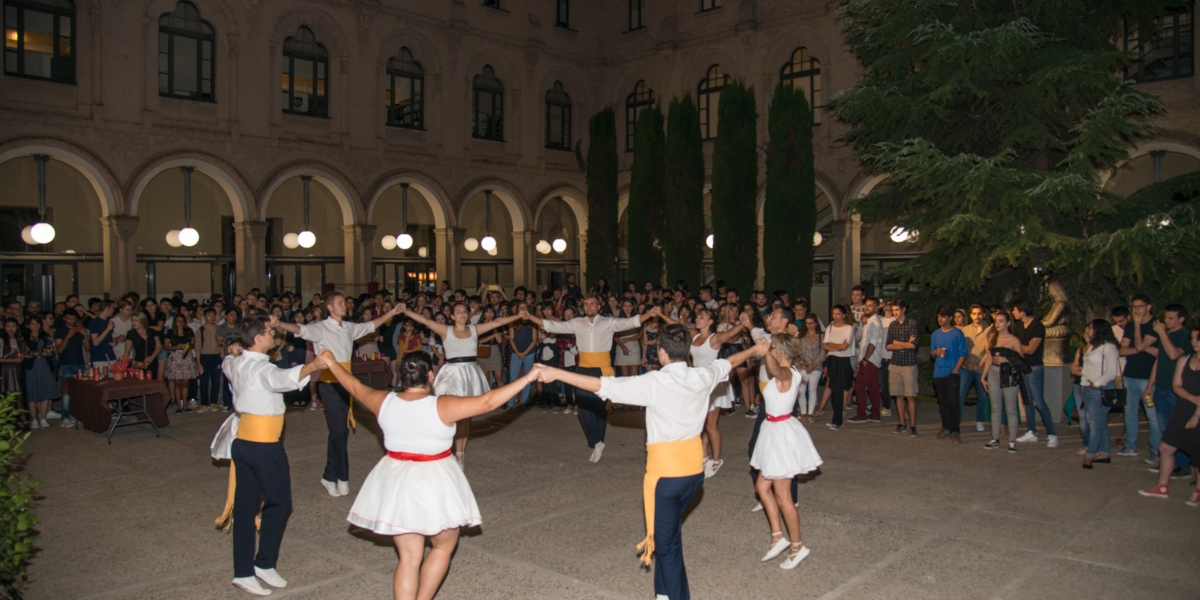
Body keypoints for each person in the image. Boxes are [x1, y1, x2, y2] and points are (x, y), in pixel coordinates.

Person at [536, 328, 768, 600]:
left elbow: (604, 386)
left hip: (666, 478)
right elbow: (729, 362)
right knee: (667, 536)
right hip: (695, 475)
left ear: (661, 353)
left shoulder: (655, 382)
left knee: (668, 547)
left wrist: (557, 373)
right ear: (687, 351)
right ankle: (662, 594)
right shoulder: (702, 375)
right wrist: (755, 350)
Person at [317, 351, 542, 600]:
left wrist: (331, 363)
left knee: (409, 558)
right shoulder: (441, 405)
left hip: (396, 479)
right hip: (435, 479)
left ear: (401, 377)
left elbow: (354, 386)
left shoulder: (384, 401)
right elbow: (488, 402)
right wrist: (528, 377)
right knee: (443, 546)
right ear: (431, 376)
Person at [211, 315, 323, 596]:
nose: (273, 334)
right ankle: (262, 563)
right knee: (280, 502)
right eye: (269, 331)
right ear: (259, 338)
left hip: (243, 443)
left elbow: (226, 362)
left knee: (246, 507)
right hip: (263, 445)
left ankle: (245, 571)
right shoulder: (262, 368)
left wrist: (231, 351)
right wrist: (314, 365)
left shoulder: (236, 362)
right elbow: (282, 379)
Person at [271, 291, 404, 497]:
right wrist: (279, 324)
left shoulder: (349, 327)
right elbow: (300, 329)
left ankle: (329, 475)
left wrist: (393, 312)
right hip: (329, 384)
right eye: (340, 303)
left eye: (345, 302)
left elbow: (372, 325)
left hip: (346, 383)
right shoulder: (320, 328)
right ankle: (341, 476)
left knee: (338, 432)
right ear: (330, 307)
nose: (344, 305)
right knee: (339, 432)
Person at [521, 295, 659, 462]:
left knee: (600, 408)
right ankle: (596, 441)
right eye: (586, 304)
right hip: (583, 368)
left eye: (592, 304)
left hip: (602, 369)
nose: (589, 307)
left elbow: (631, 322)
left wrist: (649, 314)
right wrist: (530, 317)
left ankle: (599, 441)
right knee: (584, 409)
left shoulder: (608, 322)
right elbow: (553, 326)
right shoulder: (577, 323)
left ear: (599, 306)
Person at [400, 302, 522, 465]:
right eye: (458, 312)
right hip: (453, 375)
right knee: (451, 415)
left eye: (464, 311)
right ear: (452, 316)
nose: (462, 314)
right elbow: (426, 321)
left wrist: (519, 316)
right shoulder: (446, 330)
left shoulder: (474, 330)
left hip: (470, 374)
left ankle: (460, 455)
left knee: (466, 418)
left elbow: (497, 323)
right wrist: (406, 311)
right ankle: (442, 450)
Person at [749, 332, 822, 569]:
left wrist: (765, 350)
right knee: (762, 487)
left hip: (781, 434)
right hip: (773, 430)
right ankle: (777, 537)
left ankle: (797, 546)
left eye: (774, 347)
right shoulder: (787, 372)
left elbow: (774, 370)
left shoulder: (788, 373)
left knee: (783, 496)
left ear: (781, 351)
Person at [663, 306, 747, 478]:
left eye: (702, 317)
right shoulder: (694, 335)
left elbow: (730, 334)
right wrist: (659, 314)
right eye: (698, 316)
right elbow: (678, 327)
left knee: (711, 425)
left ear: (710, 321)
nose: (698, 318)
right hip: (698, 384)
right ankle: (704, 457)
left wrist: (742, 323)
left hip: (713, 385)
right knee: (700, 424)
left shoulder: (714, 339)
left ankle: (716, 460)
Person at [1139, 325, 1200, 506]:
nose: (1193, 342)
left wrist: (1196, 415)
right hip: (1183, 407)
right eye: (1192, 338)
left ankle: (1198, 491)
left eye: (1197, 338)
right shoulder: (1186, 359)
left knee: (1197, 455)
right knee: (1166, 447)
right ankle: (1162, 486)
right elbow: (1176, 385)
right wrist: (1192, 398)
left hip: (1197, 413)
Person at [1145, 304, 1193, 479]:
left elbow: (1174, 355)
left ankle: (1184, 465)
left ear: (1181, 319)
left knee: (1177, 428)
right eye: (1166, 317)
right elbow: (1160, 360)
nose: (1166, 321)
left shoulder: (1184, 336)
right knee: (1165, 428)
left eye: (1171, 318)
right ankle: (1170, 463)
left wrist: (1162, 333)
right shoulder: (1167, 335)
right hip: (1161, 388)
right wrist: (1150, 385)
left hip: (1175, 390)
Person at [1011, 299, 1058, 448]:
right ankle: (1031, 431)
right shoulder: (1018, 326)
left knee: (1038, 401)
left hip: (1034, 368)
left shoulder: (1037, 326)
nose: (1013, 313)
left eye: (1015, 310)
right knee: (1027, 401)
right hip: (1022, 367)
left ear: (1022, 312)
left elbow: (1031, 349)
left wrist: (1017, 347)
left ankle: (1052, 434)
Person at [1075, 319, 1119, 469]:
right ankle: (1105, 452)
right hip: (1088, 387)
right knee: (1100, 423)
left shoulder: (1109, 347)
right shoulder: (1093, 347)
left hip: (1100, 389)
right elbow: (1086, 368)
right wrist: (1084, 384)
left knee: (1095, 425)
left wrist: (1097, 383)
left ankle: (1090, 455)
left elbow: (1111, 372)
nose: (1087, 332)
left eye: (1090, 329)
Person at [1118, 299, 1158, 459]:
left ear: (1149, 306)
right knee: (1130, 412)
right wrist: (1145, 349)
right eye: (1134, 307)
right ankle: (1130, 445)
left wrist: (1141, 345)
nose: (1136, 310)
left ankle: (1156, 450)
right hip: (1130, 375)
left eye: (1140, 307)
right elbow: (1122, 350)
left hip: (1147, 377)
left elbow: (1140, 345)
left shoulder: (1155, 325)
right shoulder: (1130, 326)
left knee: (1152, 415)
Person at [981, 310, 1026, 452]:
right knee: (995, 408)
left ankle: (1012, 441)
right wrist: (983, 376)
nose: (998, 324)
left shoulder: (1014, 340)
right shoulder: (993, 337)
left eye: (1001, 321)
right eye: (996, 321)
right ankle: (995, 438)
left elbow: (1021, 361)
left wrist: (1007, 360)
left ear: (1008, 323)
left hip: (1009, 374)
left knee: (1010, 409)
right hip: (994, 373)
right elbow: (989, 357)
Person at [931, 305, 968, 444]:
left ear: (950, 318)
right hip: (938, 372)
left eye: (943, 316)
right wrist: (935, 352)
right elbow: (932, 353)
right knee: (943, 402)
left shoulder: (957, 334)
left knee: (954, 402)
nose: (940, 319)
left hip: (952, 372)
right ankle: (946, 428)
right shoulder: (935, 334)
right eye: (939, 316)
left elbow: (963, 353)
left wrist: (955, 371)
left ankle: (956, 430)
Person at [885, 299, 921, 437]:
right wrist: (905, 343)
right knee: (897, 395)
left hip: (908, 364)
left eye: (897, 310)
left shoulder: (912, 324)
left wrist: (897, 343)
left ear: (904, 309)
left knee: (910, 395)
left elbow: (914, 345)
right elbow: (888, 345)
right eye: (893, 310)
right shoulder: (893, 325)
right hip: (895, 363)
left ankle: (912, 425)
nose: (895, 312)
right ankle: (902, 423)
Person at [848, 298, 884, 424]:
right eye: (866, 306)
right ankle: (875, 413)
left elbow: (873, 343)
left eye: (870, 306)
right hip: (870, 359)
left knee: (859, 386)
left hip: (869, 359)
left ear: (876, 308)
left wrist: (865, 358)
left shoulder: (875, 323)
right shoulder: (871, 322)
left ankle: (861, 414)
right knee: (873, 387)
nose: (866, 308)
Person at [820, 305, 857, 431]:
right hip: (832, 360)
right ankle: (835, 420)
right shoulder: (830, 327)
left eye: (838, 314)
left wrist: (832, 345)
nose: (835, 316)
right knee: (834, 389)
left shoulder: (849, 328)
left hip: (843, 361)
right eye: (834, 313)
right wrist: (836, 346)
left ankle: (838, 420)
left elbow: (844, 347)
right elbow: (825, 345)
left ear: (844, 315)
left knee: (839, 390)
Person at [959, 304, 992, 433]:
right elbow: (961, 349)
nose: (977, 316)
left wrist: (979, 365)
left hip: (981, 367)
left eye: (979, 313)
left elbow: (989, 351)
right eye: (974, 313)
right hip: (965, 366)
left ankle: (979, 421)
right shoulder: (965, 330)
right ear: (971, 315)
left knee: (982, 396)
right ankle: (958, 420)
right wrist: (966, 363)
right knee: (960, 394)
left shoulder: (990, 330)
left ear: (984, 315)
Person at [53, 311, 88, 428]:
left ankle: (76, 414)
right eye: (69, 318)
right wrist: (68, 336)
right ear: (64, 318)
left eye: (73, 319)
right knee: (66, 391)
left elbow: (87, 348)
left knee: (78, 391)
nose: (71, 321)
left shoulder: (79, 330)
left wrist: (85, 336)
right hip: (66, 364)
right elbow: (59, 350)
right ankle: (65, 417)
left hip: (79, 363)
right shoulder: (60, 331)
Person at [23, 318, 59, 429]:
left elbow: (49, 351)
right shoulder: (24, 338)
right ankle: (34, 419)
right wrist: (41, 352)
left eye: (37, 323)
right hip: (31, 368)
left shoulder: (45, 336)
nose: (35, 326)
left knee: (45, 391)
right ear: (28, 325)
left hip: (45, 366)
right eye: (32, 323)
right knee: (32, 393)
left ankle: (43, 418)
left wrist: (37, 353)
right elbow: (26, 353)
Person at [164, 314, 200, 413]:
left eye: (181, 321)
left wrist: (187, 346)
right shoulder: (170, 332)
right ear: (175, 322)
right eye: (177, 321)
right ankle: (179, 407)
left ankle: (185, 406)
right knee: (177, 383)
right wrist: (176, 347)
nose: (180, 323)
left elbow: (193, 344)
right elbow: (166, 346)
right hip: (175, 357)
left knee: (185, 383)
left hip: (186, 356)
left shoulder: (189, 331)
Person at [505, 311, 539, 408]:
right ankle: (510, 403)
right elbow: (511, 339)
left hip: (529, 353)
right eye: (521, 308)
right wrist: (518, 352)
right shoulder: (513, 323)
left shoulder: (532, 323)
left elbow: (534, 339)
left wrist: (525, 352)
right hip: (516, 353)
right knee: (512, 378)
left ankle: (524, 402)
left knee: (528, 378)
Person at [796, 315, 825, 423]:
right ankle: (803, 412)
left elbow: (823, 352)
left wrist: (814, 364)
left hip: (816, 366)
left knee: (812, 389)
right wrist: (806, 364)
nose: (810, 326)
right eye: (807, 323)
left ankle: (810, 413)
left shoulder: (821, 336)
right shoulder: (801, 336)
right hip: (803, 365)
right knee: (801, 390)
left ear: (816, 323)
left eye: (812, 323)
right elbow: (798, 352)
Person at [197, 308, 224, 412]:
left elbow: (221, 344)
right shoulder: (201, 330)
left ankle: (214, 402)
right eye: (209, 315)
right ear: (205, 317)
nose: (211, 317)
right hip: (205, 357)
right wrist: (198, 363)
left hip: (216, 356)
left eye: (213, 315)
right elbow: (198, 347)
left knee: (216, 381)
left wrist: (222, 355)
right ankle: (204, 403)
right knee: (204, 382)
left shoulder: (219, 329)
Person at [614, 300, 643, 377]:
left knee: (634, 375)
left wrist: (628, 339)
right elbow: (615, 336)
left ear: (632, 307)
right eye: (625, 306)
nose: (627, 308)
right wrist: (622, 346)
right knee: (625, 376)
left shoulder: (637, 319)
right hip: (621, 346)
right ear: (622, 307)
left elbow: (640, 335)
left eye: (629, 306)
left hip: (634, 346)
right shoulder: (618, 320)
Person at [88, 300, 117, 369]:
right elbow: (95, 342)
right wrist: (107, 329)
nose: (113, 311)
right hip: (99, 358)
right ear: (107, 309)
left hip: (110, 356)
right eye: (112, 309)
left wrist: (114, 342)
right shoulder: (95, 322)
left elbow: (110, 337)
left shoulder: (109, 321)